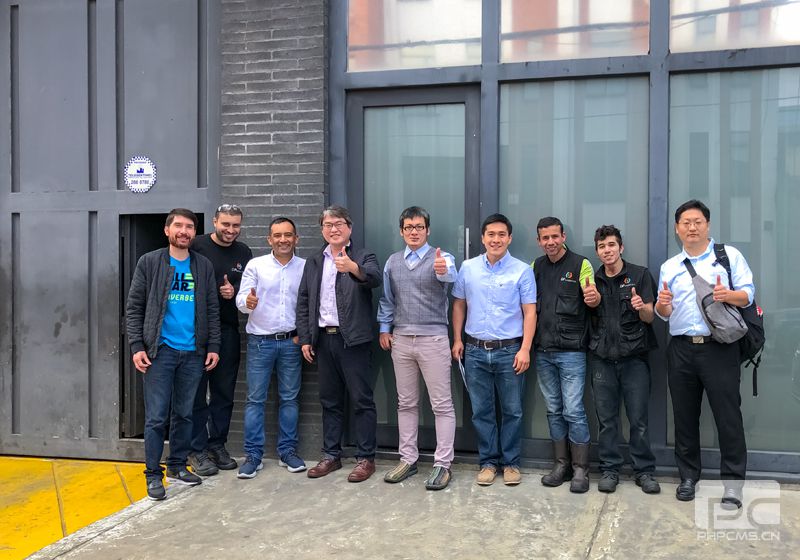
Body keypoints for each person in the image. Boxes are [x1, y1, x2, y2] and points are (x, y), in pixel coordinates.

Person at [655, 200, 754, 509]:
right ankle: (688, 477)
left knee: (728, 416)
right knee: (684, 416)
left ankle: (733, 484)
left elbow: (748, 295)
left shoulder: (728, 257)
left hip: (719, 348)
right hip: (681, 349)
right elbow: (664, 313)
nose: (692, 227)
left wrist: (729, 295)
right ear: (677, 229)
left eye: (697, 221)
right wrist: (662, 304)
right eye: (686, 223)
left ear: (707, 225)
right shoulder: (670, 266)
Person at [125, 208, 220, 501]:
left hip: (193, 352)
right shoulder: (150, 262)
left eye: (189, 227)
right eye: (178, 225)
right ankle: (153, 474)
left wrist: (213, 346)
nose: (184, 231)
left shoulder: (202, 265)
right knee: (156, 418)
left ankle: (177, 466)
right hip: (160, 352)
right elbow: (134, 307)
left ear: (194, 233)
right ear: (167, 230)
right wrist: (137, 346)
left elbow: (212, 309)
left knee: (185, 414)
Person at [296, 205, 382, 482]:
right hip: (324, 340)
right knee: (330, 401)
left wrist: (353, 268)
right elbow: (304, 300)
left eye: (339, 224)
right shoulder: (314, 261)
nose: (333, 229)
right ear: (322, 229)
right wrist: (306, 338)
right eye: (328, 225)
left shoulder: (363, 255)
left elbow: (374, 279)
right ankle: (331, 455)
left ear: (349, 228)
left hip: (353, 340)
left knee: (362, 400)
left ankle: (366, 458)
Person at [451, 214, 536, 487]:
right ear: (483, 237)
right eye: (491, 234)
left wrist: (525, 349)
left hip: (510, 351)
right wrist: (457, 339)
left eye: (501, 234)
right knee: (481, 411)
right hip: (475, 350)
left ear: (509, 238)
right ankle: (488, 462)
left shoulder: (522, 270)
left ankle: (510, 463)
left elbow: (530, 312)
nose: (496, 239)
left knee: (512, 411)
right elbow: (459, 304)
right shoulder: (468, 268)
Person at [377, 206, 458, 491]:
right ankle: (408, 459)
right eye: (409, 227)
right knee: (406, 403)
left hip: (433, 339)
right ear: (401, 231)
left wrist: (443, 270)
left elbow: (450, 275)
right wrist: (384, 328)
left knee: (442, 404)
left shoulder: (441, 257)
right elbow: (387, 299)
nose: (414, 232)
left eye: (419, 227)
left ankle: (443, 464)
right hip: (401, 340)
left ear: (428, 230)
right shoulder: (392, 262)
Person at [588, 225, 660, 494]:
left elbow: (650, 317)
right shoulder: (593, 280)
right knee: (607, 421)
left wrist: (641, 308)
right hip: (602, 359)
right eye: (602, 246)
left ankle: (644, 471)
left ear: (621, 247)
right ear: (597, 251)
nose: (607, 250)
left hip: (634, 359)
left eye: (611, 245)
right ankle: (610, 469)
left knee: (638, 420)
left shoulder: (640, 275)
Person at [235, 217, 306, 478]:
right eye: (277, 235)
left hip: (292, 343)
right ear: (269, 239)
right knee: (255, 400)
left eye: (288, 235)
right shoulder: (256, 266)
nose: (283, 240)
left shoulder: (305, 267)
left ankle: (287, 451)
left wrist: (302, 336)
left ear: (296, 239)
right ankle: (253, 456)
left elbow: (310, 304)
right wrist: (247, 303)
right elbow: (241, 298)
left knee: (289, 399)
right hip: (260, 343)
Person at [533, 216, 599, 494]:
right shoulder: (535, 266)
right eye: (545, 238)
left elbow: (592, 297)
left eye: (555, 237)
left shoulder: (581, 264)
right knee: (553, 410)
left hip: (572, 351)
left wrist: (593, 298)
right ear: (539, 241)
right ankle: (561, 465)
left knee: (573, 410)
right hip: (543, 350)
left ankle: (581, 469)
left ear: (563, 237)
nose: (550, 242)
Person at [188, 204, 252, 475]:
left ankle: (217, 445)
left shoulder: (243, 252)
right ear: (214, 221)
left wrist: (233, 290)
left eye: (236, 225)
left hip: (227, 329)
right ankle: (196, 449)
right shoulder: (197, 245)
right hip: (196, 330)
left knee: (224, 393)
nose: (231, 230)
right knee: (195, 393)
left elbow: (247, 287)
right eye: (226, 224)